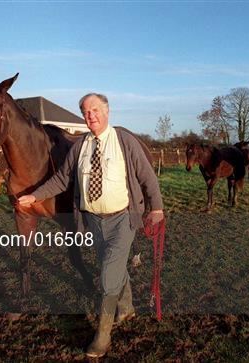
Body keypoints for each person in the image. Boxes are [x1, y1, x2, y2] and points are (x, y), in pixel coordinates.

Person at [18, 93, 164, 358]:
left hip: (122, 218)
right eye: (85, 112)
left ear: (107, 112)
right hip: (93, 220)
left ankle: (102, 335)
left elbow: (147, 176)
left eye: (95, 110)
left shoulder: (124, 141)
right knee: (113, 265)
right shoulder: (80, 147)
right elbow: (62, 180)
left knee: (108, 274)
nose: (90, 115)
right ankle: (128, 308)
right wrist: (35, 195)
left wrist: (156, 208)